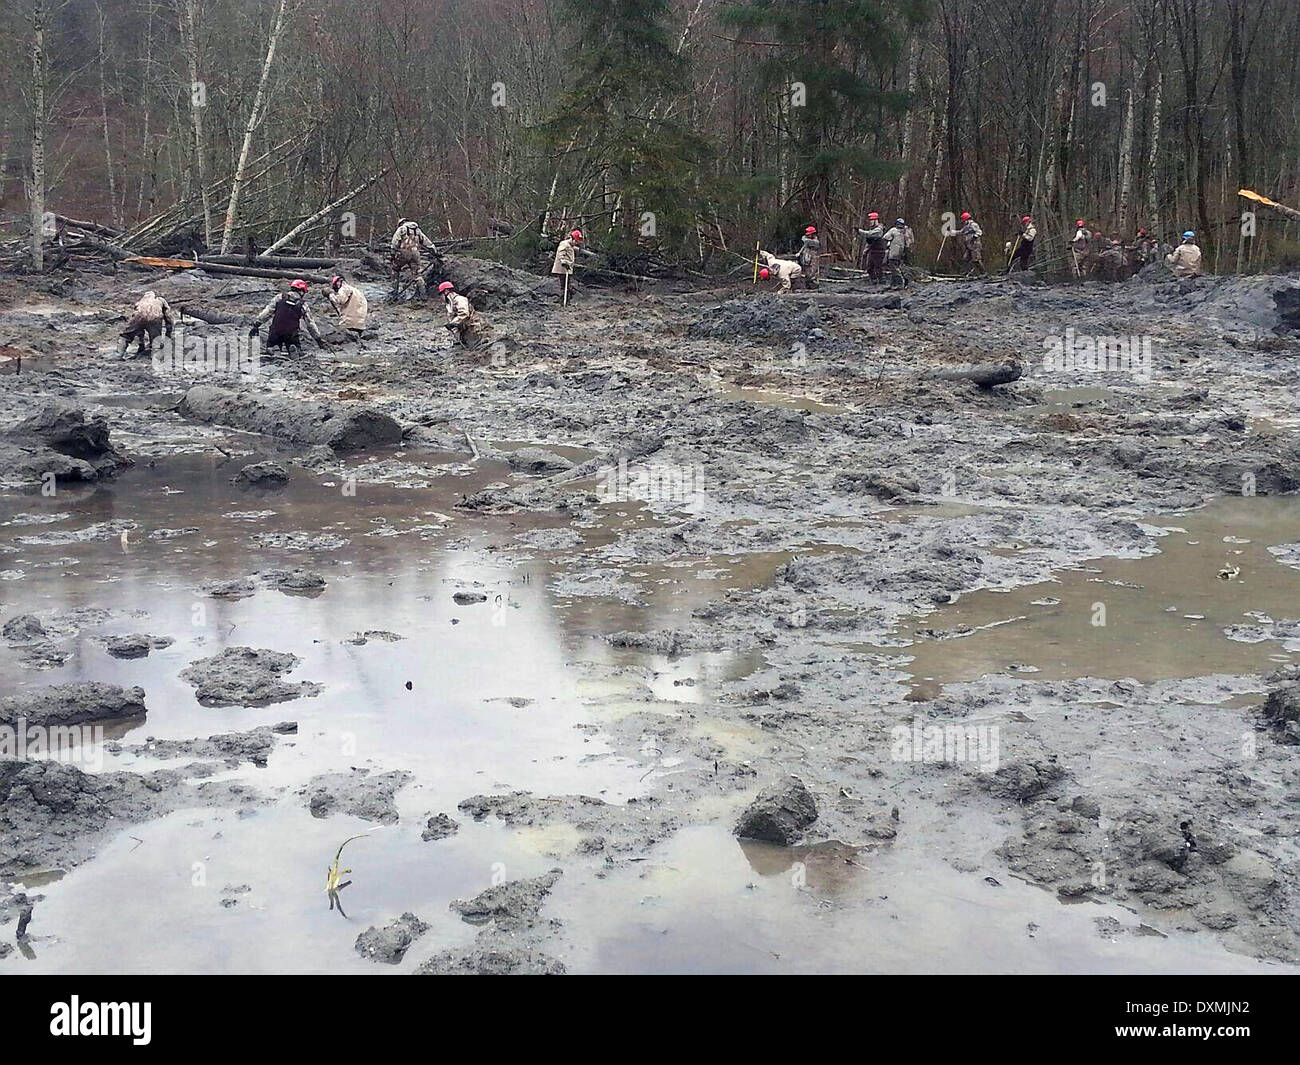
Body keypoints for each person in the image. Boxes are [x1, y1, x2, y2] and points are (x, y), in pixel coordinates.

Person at [250, 279, 325, 355]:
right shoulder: (303, 304)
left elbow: (267, 312)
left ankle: (272, 349)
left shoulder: (279, 297)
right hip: (291, 334)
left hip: (275, 331)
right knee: (297, 348)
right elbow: (310, 324)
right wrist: (318, 339)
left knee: (271, 345)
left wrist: (257, 324)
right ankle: (295, 349)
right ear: (302, 291)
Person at [390, 218, 436, 299]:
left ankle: (394, 292)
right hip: (416, 254)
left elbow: (395, 242)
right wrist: (435, 252)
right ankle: (423, 295)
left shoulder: (401, 229)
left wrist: (393, 255)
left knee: (395, 269)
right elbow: (427, 242)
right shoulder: (417, 230)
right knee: (417, 274)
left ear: (401, 223)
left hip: (404, 253)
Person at [119, 290, 174, 358]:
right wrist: (168, 334)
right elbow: (168, 317)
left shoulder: (140, 303)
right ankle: (155, 355)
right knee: (155, 338)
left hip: (138, 317)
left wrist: (141, 346)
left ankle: (118, 354)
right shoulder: (160, 300)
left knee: (126, 335)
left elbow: (139, 330)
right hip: (154, 317)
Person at [439, 280, 483, 348]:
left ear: (446, 291)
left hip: (473, 329)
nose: (441, 297)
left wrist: (452, 324)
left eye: (441, 294)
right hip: (464, 332)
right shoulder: (449, 306)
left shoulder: (460, 299)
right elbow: (453, 322)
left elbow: (464, 314)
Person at [327, 273, 368, 340]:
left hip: (349, 322)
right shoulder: (357, 291)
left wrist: (331, 295)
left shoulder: (344, 288)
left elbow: (340, 300)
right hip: (360, 323)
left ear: (339, 282)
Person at [552, 229, 586, 305]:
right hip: (562, 269)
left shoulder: (570, 245)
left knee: (567, 285)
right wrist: (564, 262)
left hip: (568, 269)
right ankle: (563, 301)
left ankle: (565, 300)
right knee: (564, 285)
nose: (576, 243)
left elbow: (571, 249)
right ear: (572, 238)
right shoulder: (564, 244)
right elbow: (561, 254)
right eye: (576, 241)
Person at [883, 218, 911, 286]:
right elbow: (908, 243)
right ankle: (894, 283)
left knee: (894, 268)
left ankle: (900, 282)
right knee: (896, 267)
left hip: (893, 252)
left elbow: (885, 237)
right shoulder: (905, 232)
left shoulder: (893, 230)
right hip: (901, 253)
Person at [858, 212, 886, 280]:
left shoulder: (879, 230)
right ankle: (874, 281)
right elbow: (869, 242)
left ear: (876, 220)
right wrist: (865, 251)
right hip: (872, 251)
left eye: (871, 220)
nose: (870, 222)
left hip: (879, 251)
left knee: (878, 268)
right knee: (869, 268)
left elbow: (869, 234)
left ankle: (881, 281)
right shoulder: (873, 229)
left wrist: (860, 231)